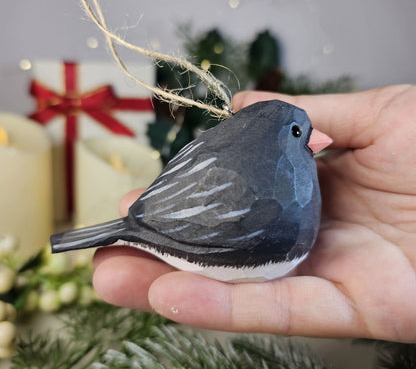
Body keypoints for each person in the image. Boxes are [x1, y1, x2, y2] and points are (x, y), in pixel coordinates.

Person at [92, 84, 416, 342]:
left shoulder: (286, 176)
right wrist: (139, 228)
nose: (318, 140)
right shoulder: (258, 195)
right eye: (298, 132)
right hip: (194, 244)